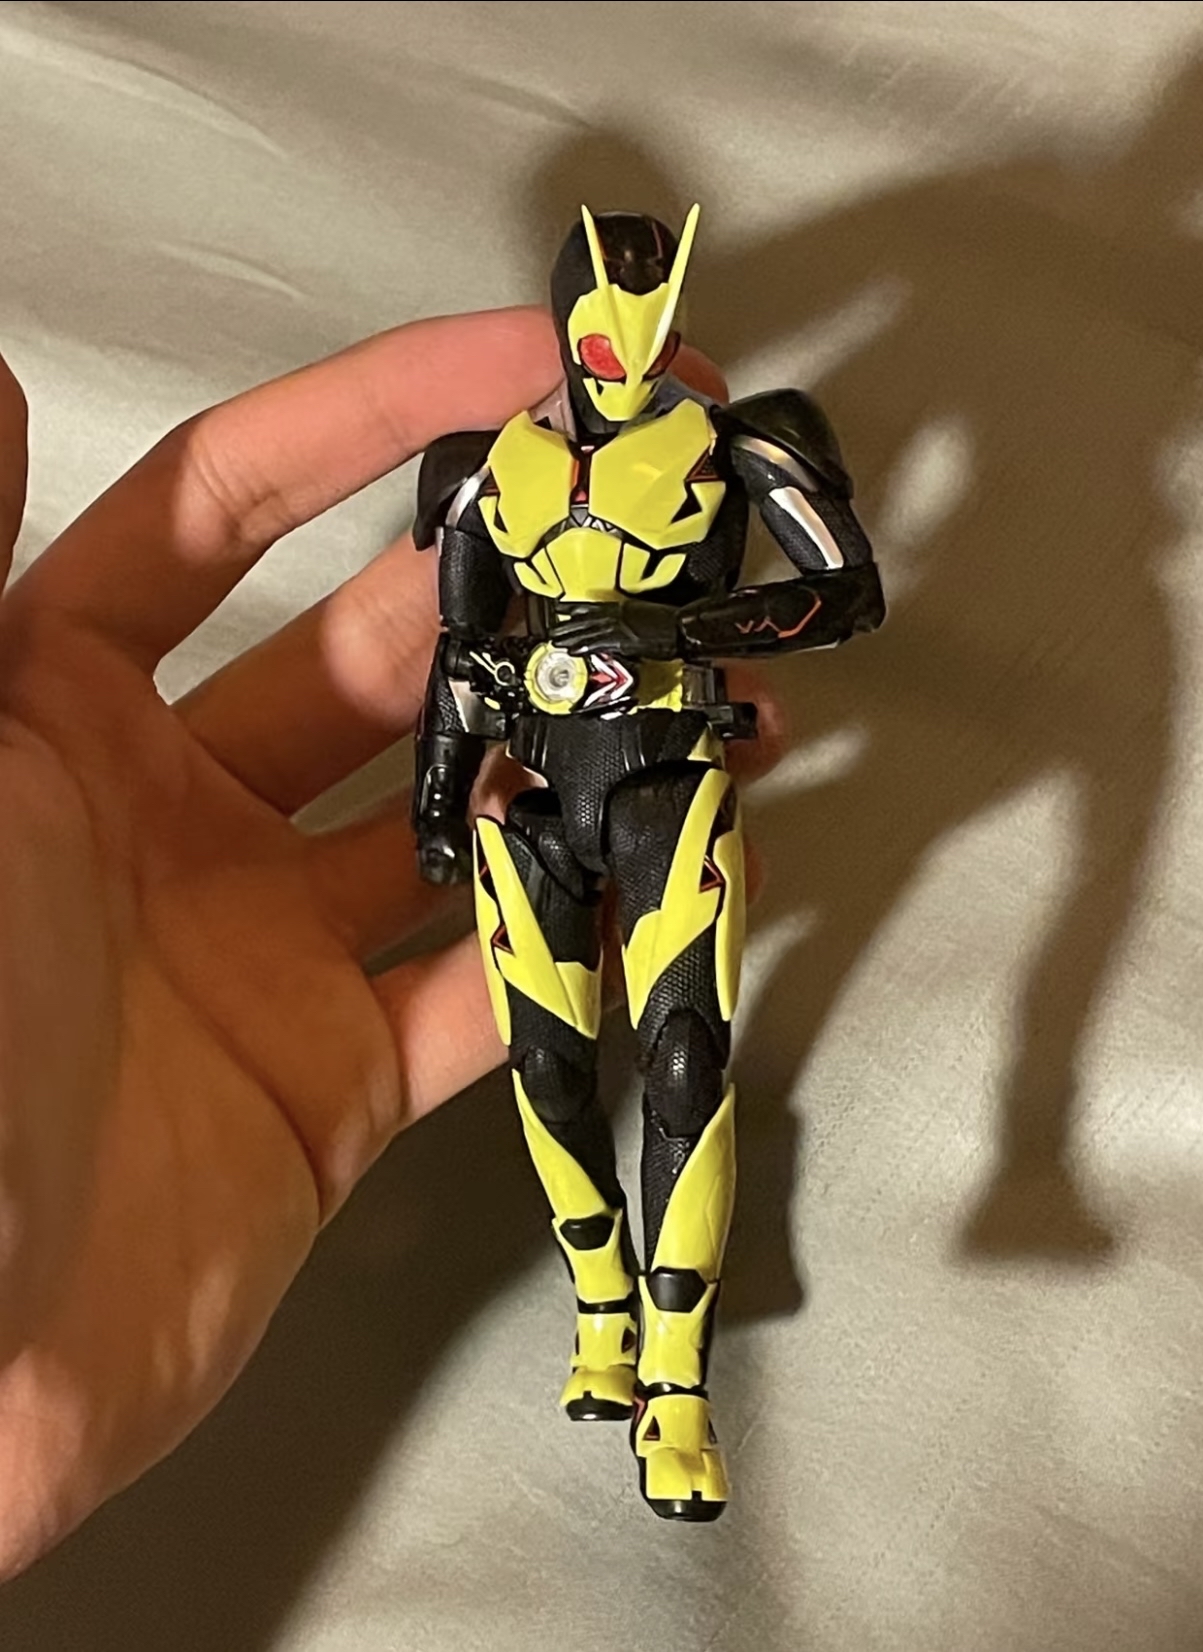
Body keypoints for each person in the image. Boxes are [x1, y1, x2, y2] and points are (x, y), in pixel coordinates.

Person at [0, 310, 771, 1577]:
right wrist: (434, 801)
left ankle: (678, 1375)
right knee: (549, 1069)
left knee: (684, 1062)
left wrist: (670, 637)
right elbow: (461, 655)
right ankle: (600, 1306)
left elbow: (838, 594)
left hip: (666, 784)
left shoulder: (732, 450)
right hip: (530, 800)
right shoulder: (487, 468)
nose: (622, 353)